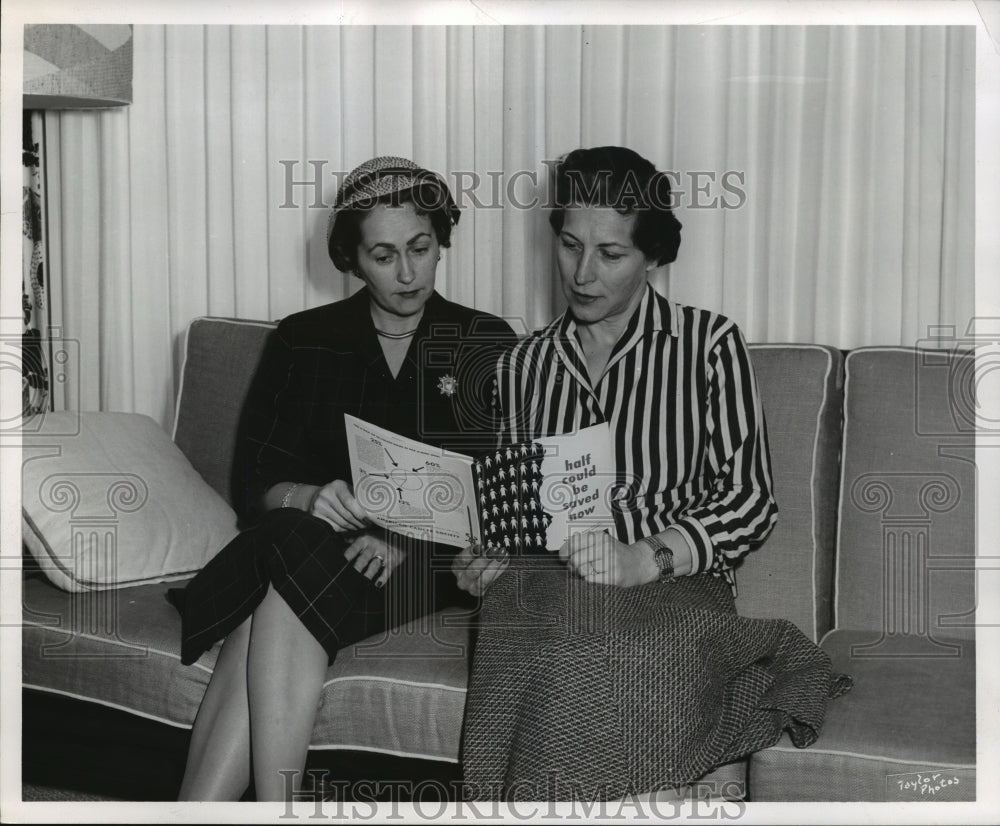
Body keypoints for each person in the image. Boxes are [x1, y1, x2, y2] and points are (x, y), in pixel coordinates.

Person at [454, 146, 849, 800]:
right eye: (570, 244)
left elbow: (750, 501)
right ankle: (669, 782)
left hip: (674, 589)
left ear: (653, 258)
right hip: (549, 590)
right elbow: (514, 511)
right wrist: (483, 560)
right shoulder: (521, 366)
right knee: (548, 634)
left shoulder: (707, 344)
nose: (582, 273)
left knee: (629, 654)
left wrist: (648, 556)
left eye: (610, 254)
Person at [168, 156, 516, 801]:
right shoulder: (304, 340)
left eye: (420, 248)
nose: (407, 273)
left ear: (441, 241)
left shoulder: (483, 340)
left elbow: (494, 486)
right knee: (290, 551)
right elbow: (257, 478)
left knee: (275, 581)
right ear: (352, 260)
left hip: (424, 566)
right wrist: (307, 495)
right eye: (383, 256)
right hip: (313, 546)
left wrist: (404, 538)